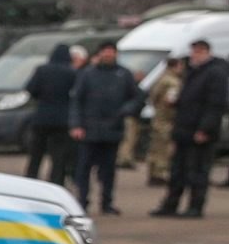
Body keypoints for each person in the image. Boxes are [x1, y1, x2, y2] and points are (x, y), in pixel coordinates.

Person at [152, 39, 228, 218]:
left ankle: (195, 206)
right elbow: (189, 98)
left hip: (200, 132)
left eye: (197, 52)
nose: (194, 55)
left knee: (198, 170)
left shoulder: (215, 73)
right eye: (193, 51)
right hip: (183, 130)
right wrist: (176, 103)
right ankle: (170, 205)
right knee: (177, 170)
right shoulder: (193, 72)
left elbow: (215, 105)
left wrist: (204, 129)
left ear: (206, 52)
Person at [68, 41, 144, 215]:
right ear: (100, 54)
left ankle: (107, 202)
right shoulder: (87, 74)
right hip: (89, 129)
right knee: (84, 168)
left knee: (109, 169)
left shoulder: (123, 74)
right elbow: (76, 101)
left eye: (111, 52)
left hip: (113, 129)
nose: (108, 55)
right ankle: (82, 201)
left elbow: (137, 98)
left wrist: (126, 110)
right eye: (105, 52)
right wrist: (76, 125)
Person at [23, 43, 79, 185]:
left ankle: (31, 179)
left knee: (36, 152)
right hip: (62, 119)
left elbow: (30, 89)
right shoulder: (71, 72)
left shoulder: (41, 70)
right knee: (58, 155)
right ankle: (56, 182)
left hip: (41, 117)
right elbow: (76, 94)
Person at [145, 55, 186, 187]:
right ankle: (159, 174)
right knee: (164, 148)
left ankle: (152, 172)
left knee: (155, 147)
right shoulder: (173, 82)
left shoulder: (160, 78)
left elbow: (153, 97)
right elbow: (171, 100)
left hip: (158, 117)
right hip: (167, 119)